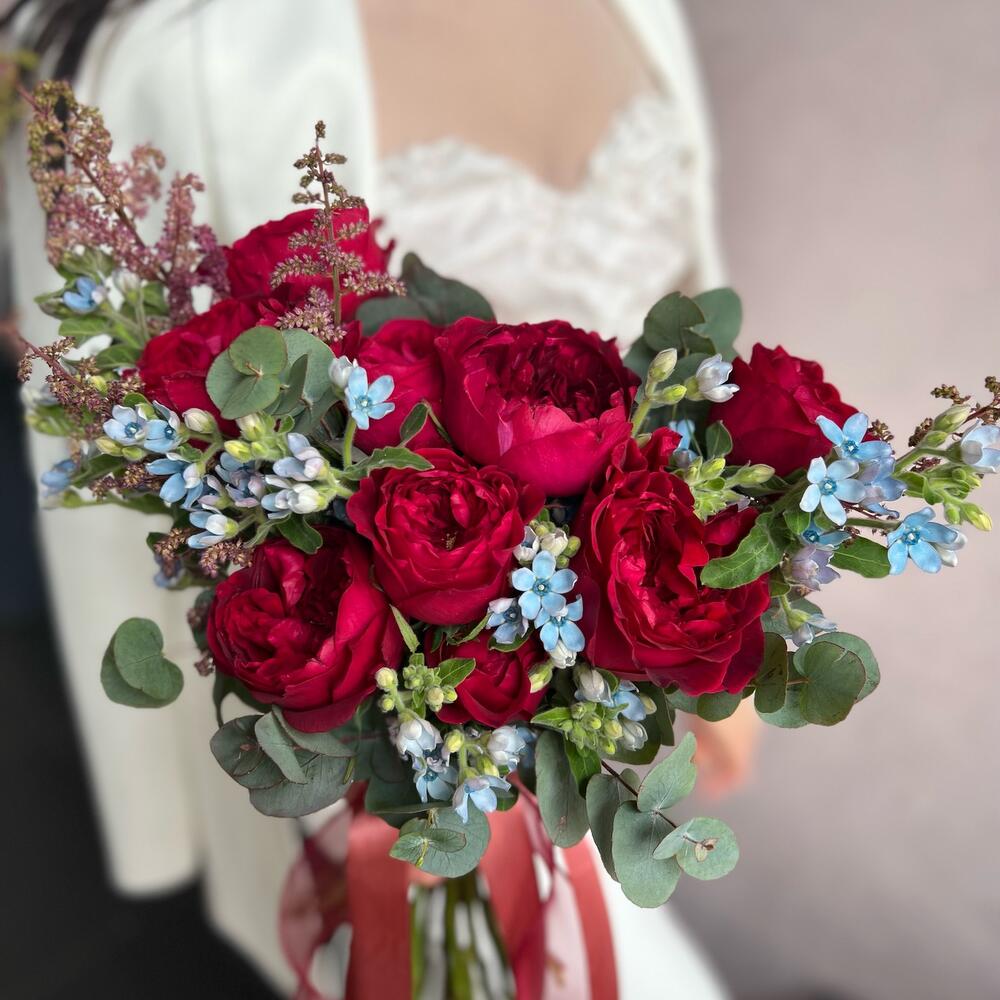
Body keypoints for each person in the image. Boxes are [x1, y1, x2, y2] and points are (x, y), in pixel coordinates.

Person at [3, 1, 747, 994]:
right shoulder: (179, 58)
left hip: (597, 698)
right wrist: (193, 818)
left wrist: (710, 626)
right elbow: (118, 479)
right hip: (372, 753)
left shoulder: (642, 13)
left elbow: (693, 331)